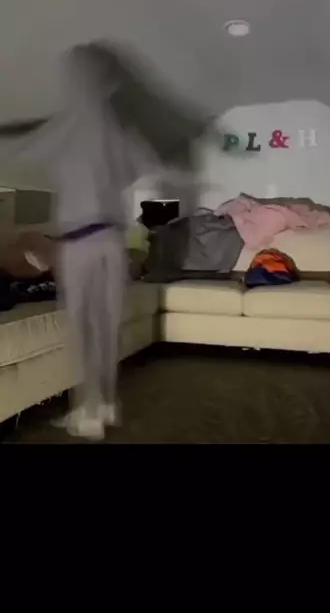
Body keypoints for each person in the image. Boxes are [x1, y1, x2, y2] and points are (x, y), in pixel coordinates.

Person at [0, 42, 210, 439]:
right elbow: (158, 168)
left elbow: (20, 147)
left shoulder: (66, 126)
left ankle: (90, 412)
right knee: (106, 328)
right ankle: (105, 404)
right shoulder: (121, 131)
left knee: (84, 330)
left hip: (80, 242)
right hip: (111, 241)